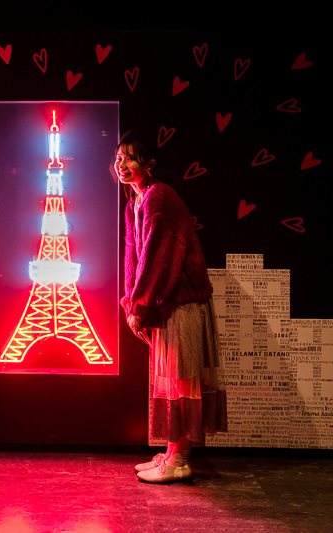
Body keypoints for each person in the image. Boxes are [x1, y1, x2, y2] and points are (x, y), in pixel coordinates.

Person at [115, 129, 226, 483]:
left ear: (149, 165)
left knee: (179, 380)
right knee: (170, 380)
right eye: (118, 158)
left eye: (130, 158)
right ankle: (172, 453)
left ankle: (179, 460)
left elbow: (159, 258)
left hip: (182, 302)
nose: (122, 164)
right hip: (167, 302)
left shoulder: (158, 196)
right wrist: (132, 303)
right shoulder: (136, 202)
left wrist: (140, 305)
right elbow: (134, 258)